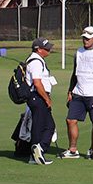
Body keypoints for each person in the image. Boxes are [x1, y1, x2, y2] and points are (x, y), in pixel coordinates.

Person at [63, 26, 93, 159]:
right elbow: (75, 73)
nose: (86, 40)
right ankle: (73, 150)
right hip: (78, 93)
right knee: (70, 120)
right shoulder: (78, 52)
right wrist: (70, 91)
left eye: (88, 38)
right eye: (84, 38)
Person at [26, 37, 57, 165]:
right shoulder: (36, 62)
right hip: (37, 97)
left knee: (49, 126)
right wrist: (46, 99)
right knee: (40, 126)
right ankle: (36, 153)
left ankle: (39, 150)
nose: (49, 49)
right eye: (46, 48)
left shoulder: (38, 60)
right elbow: (37, 83)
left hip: (38, 97)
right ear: (38, 49)